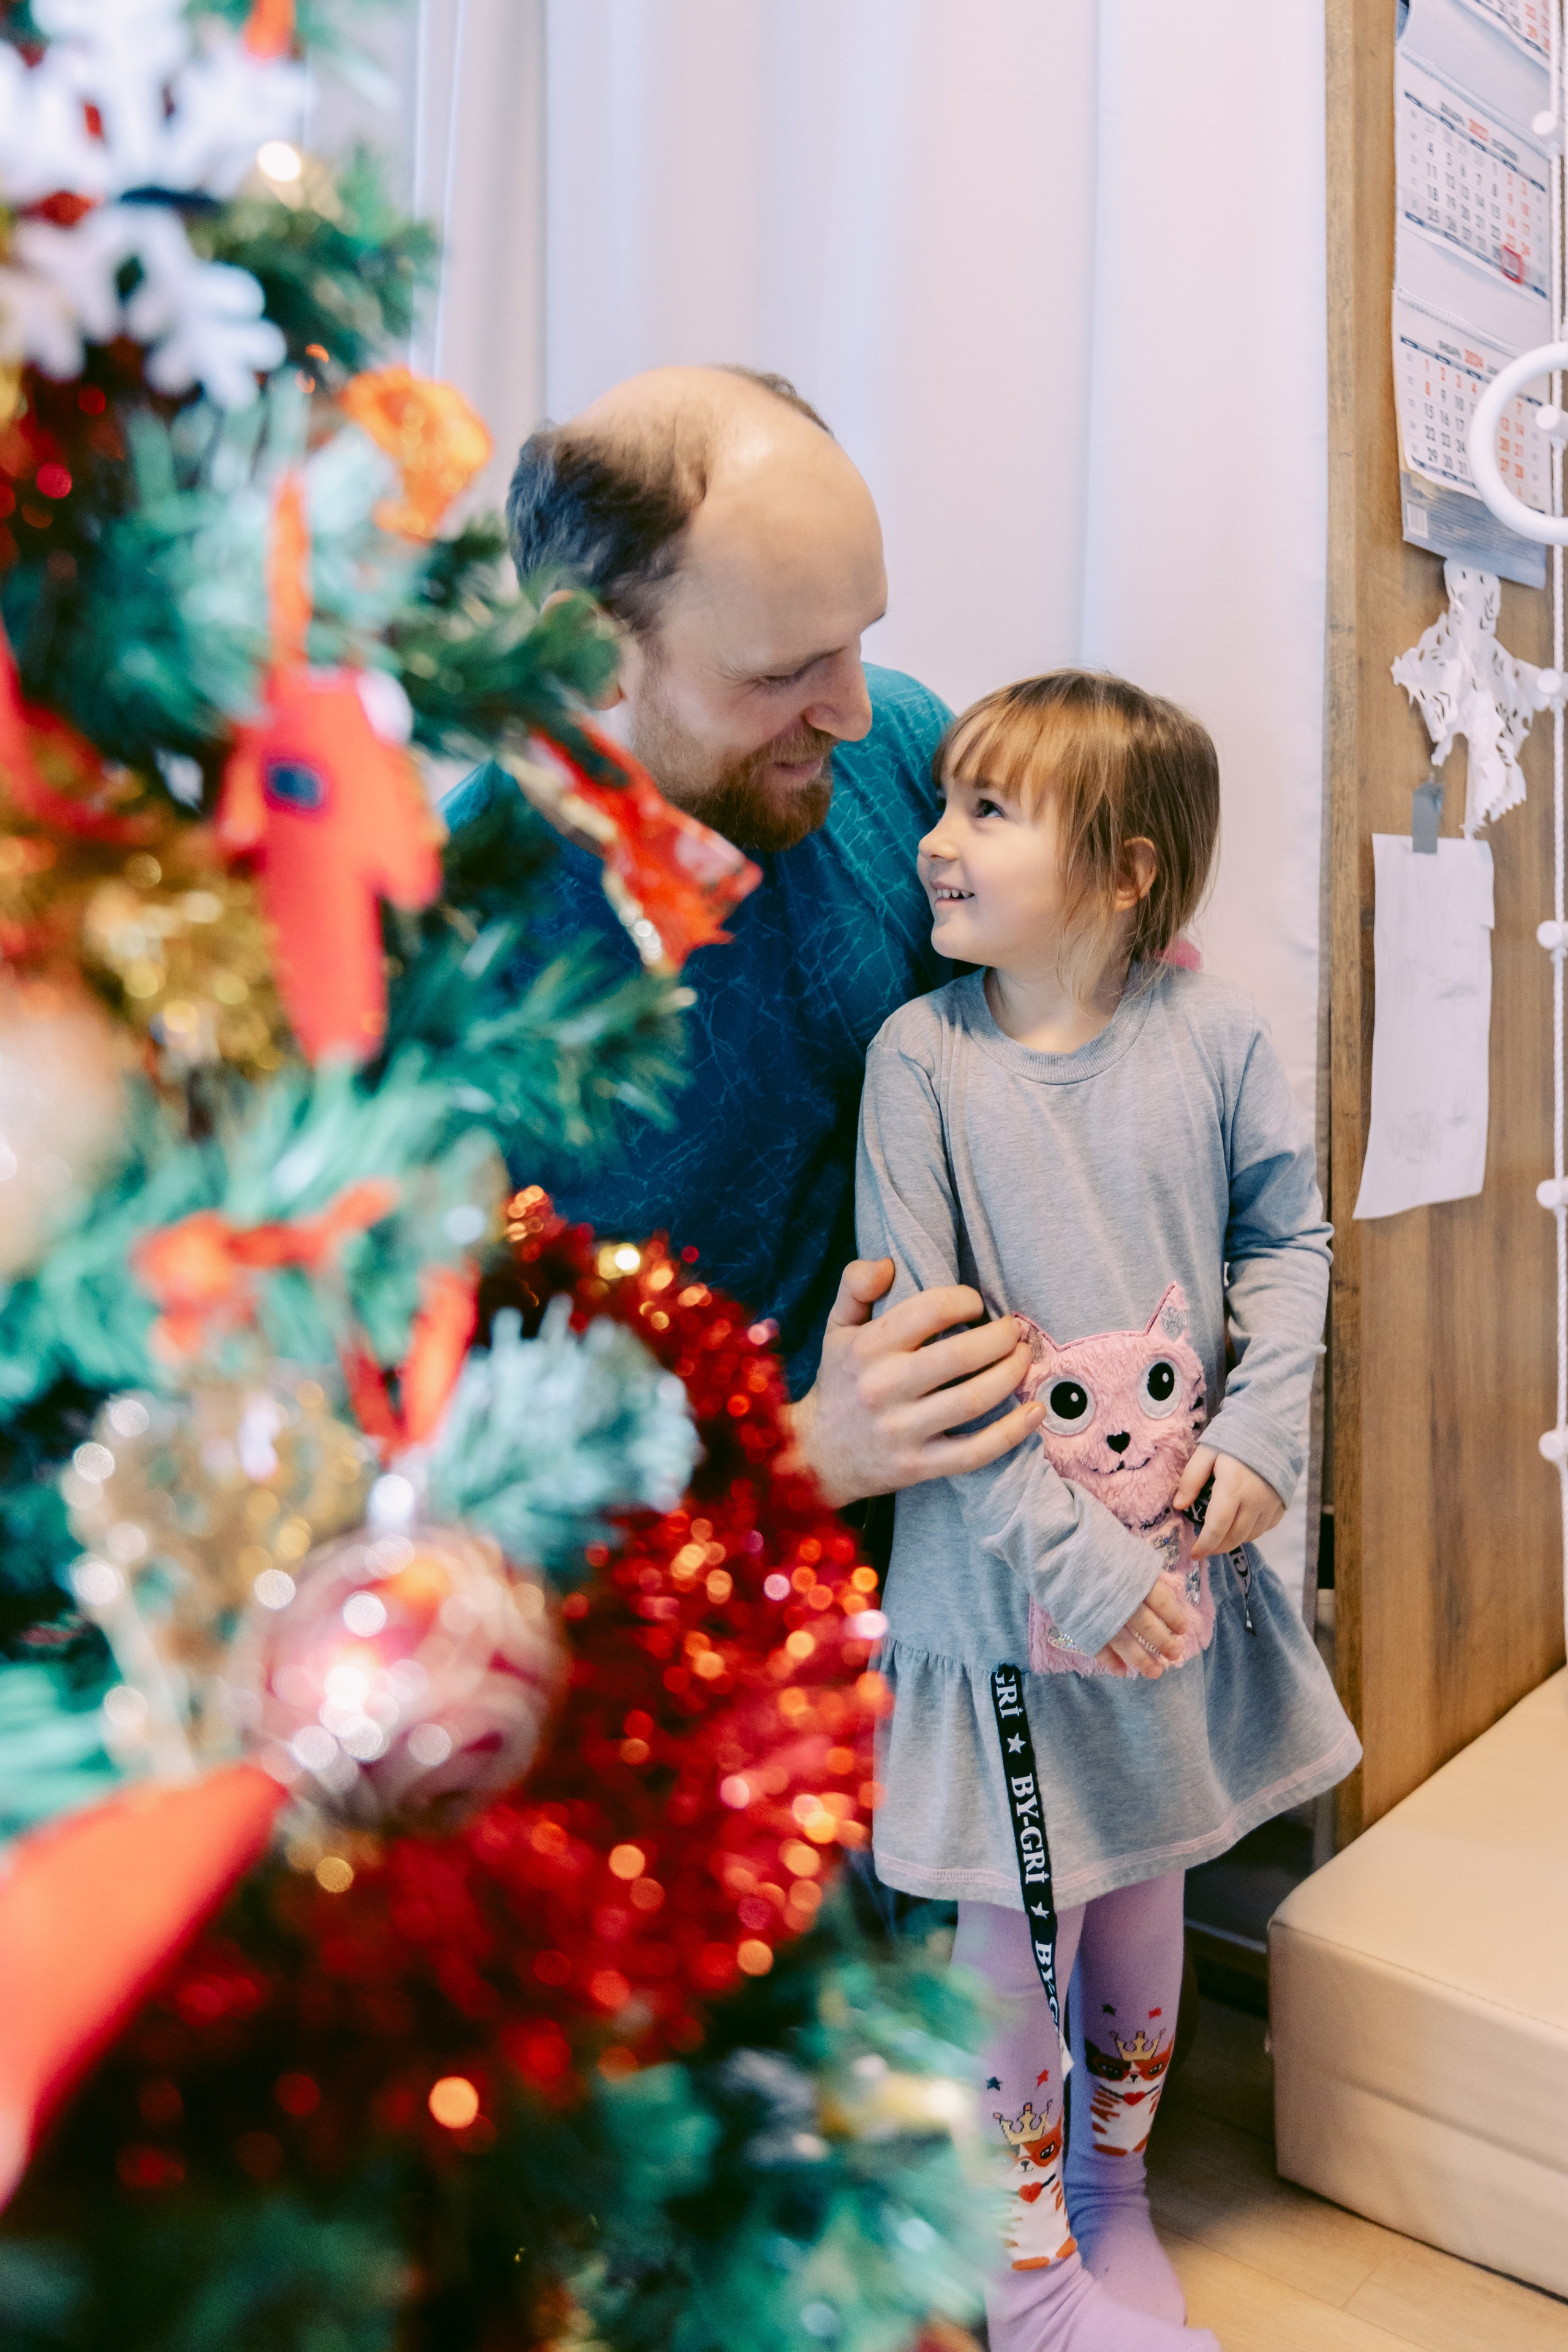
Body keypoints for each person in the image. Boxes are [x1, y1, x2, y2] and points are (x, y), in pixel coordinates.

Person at [854, 671, 1360, 2351]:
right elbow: (929, 1355)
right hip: (1008, 1606)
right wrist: (1077, 1561)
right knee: (1015, 1931)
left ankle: (1112, 2199)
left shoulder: (1212, 1039)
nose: (933, 843)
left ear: (1125, 871)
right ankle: (1024, 2282)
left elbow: (1289, 1247)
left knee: (1144, 1889)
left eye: (987, 813)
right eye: (943, 804)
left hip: (1181, 1582)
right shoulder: (917, 1065)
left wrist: (1268, 1453)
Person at [443, 363, 1039, 1511]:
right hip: (686, 1625)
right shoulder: (442, 947)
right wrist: (806, 1452)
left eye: (859, 637)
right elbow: (449, 1470)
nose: (854, 710)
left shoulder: (906, 750)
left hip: (976, 1548)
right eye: (783, 672)